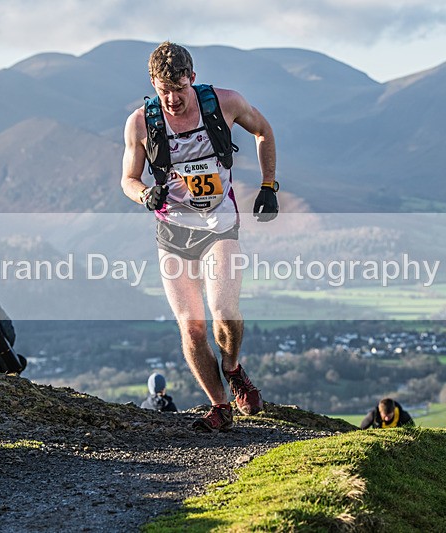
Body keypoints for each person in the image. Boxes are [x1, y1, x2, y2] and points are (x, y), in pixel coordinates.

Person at [121, 42, 278, 432]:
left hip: (219, 227)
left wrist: (268, 185)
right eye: (164, 91)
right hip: (173, 233)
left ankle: (233, 368)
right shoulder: (140, 123)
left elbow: (263, 130)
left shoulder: (224, 103)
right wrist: (144, 194)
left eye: (179, 88)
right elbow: (128, 179)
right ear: (153, 84)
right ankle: (220, 406)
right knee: (191, 327)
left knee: (223, 311)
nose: (172, 99)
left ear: (192, 77)